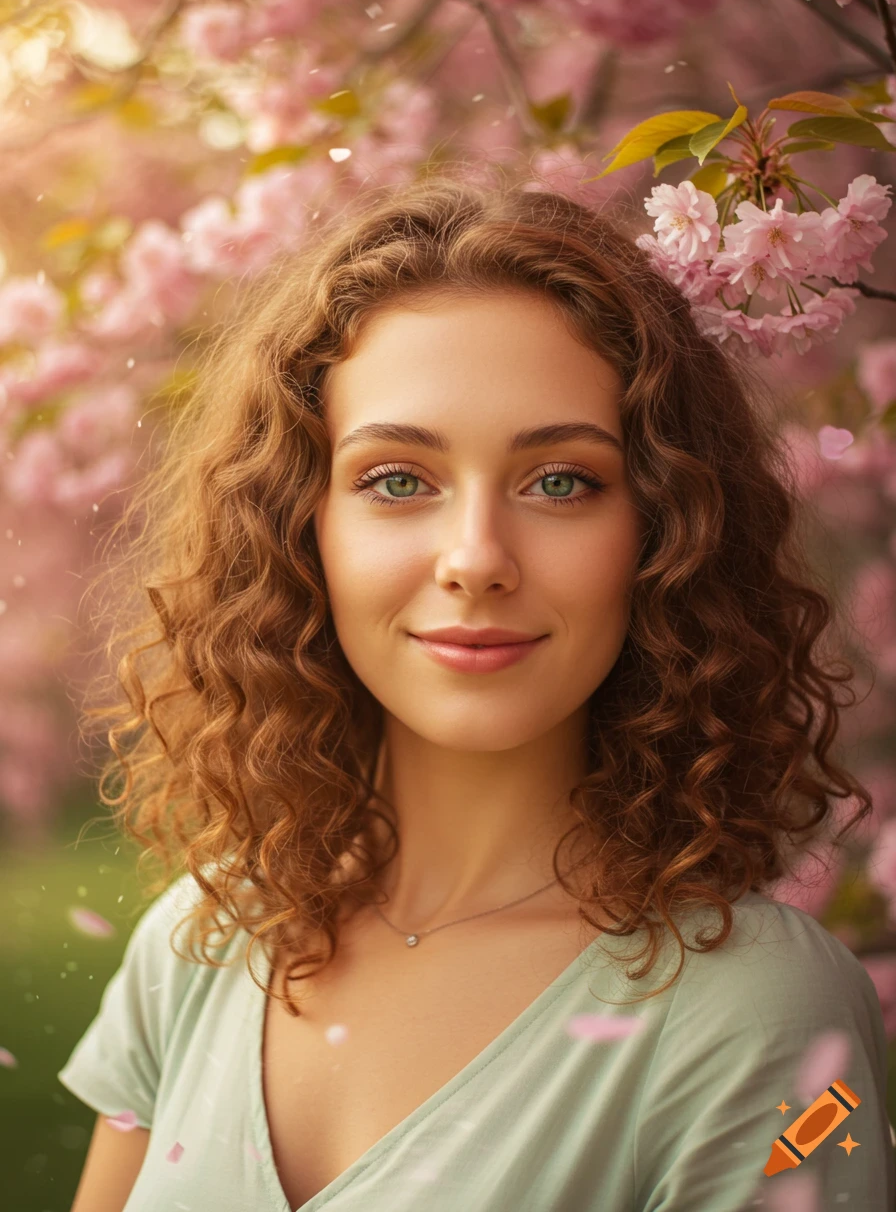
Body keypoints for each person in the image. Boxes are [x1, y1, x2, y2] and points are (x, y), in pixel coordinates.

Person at [58, 169, 894, 1212]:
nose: (475, 559)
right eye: (397, 480)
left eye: (561, 482)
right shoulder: (202, 938)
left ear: (664, 531)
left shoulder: (763, 1016)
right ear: (299, 527)